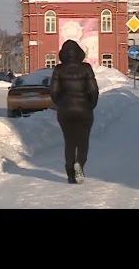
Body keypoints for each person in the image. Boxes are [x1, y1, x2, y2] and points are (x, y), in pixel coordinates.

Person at [50, 39, 99, 184]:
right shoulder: (86, 68)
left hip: (65, 111)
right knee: (83, 142)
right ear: (79, 52)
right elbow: (94, 90)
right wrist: (91, 105)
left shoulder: (58, 69)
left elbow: (53, 91)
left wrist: (60, 103)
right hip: (84, 110)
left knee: (69, 142)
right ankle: (80, 164)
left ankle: (71, 174)